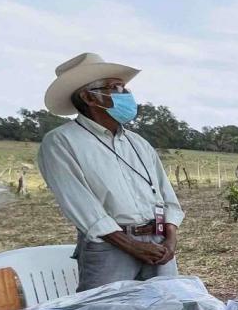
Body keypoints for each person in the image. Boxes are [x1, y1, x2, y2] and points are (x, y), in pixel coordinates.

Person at [38, 52, 185, 291]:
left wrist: (170, 239)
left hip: (158, 243)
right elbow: (81, 204)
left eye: (124, 87)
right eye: (114, 87)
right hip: (110, 247)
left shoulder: (138, 143)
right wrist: (131, 245)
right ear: (89, 97)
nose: (125, 94)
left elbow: (166, 195)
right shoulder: (62, 142)